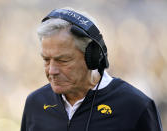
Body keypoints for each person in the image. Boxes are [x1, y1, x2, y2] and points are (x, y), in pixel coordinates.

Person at [21, 8, 163, 131]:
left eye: (62, 60)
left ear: (92, 57)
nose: (52, 71)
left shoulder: (135, 105)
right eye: (46, 60)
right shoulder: (35, 103)